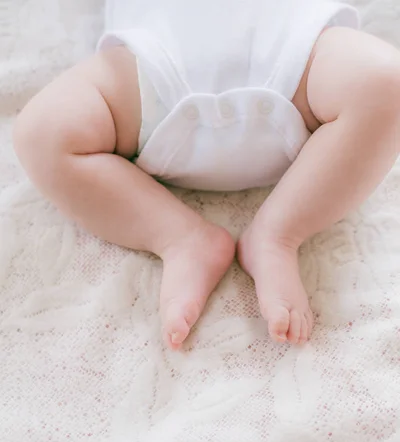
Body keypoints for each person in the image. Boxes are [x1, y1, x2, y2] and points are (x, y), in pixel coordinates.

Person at [13, 0, 400, 349]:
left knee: (386, 81)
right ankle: (180, 237)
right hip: (149, 73)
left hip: (296, 60)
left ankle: (277, 234)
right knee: (41, 132)